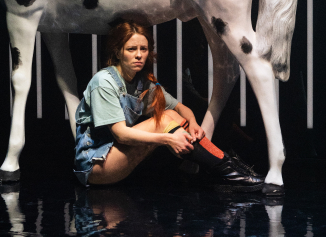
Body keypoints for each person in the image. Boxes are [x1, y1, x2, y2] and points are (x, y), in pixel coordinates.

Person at [74, 20, 264, 191]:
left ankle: (227, 167)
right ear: (118, 52)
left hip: (116, 157)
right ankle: (227, 169)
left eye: (143, 49)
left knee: (172, 115)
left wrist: (193, 123)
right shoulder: (104, 81)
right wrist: (167, 139)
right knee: (164, 120)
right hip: (95, 167)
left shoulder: (142, 83)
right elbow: (121, 135)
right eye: (131, 49)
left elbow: (181, 108)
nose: (139, 55)